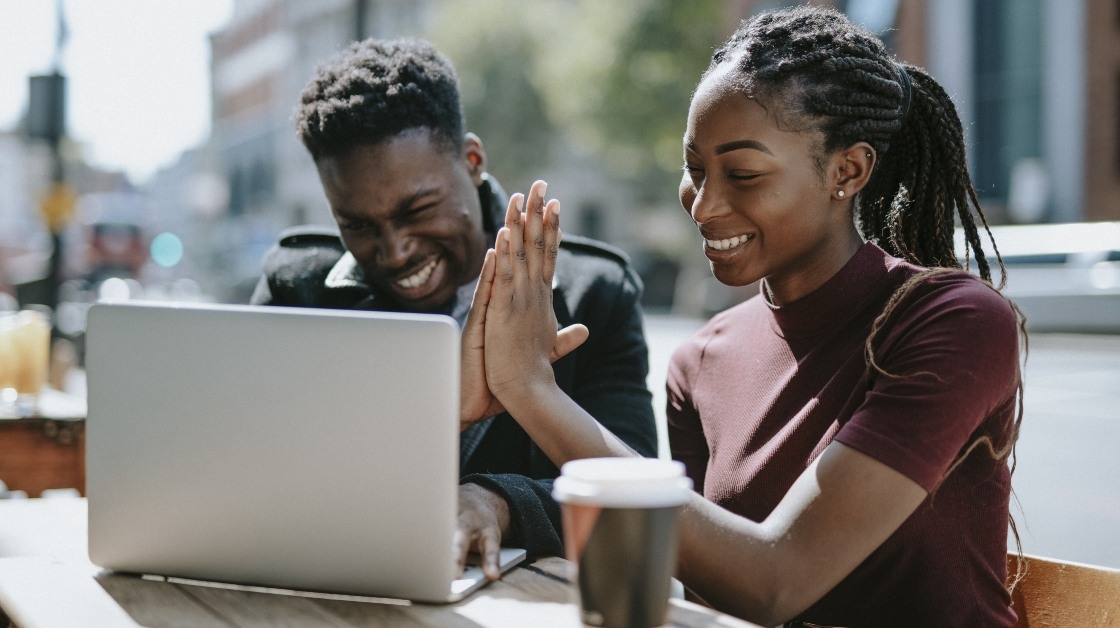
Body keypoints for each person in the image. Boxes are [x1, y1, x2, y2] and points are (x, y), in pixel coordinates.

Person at [465, 6, 1024, 626]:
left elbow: (774, 581)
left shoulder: (953, 322)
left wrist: (531, 390)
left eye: (743, 173)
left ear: (848, 171)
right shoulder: (700, 362)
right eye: (695, 169)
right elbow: (708, 595)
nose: (703, 206)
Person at [250, 38, 657, 579]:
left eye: (418, 209)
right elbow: (254, 469)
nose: (394, 251)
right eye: (358, 226)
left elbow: (634, 487)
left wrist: (500, 501)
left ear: (471, 161)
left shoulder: (594, 295)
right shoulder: (296, 289)